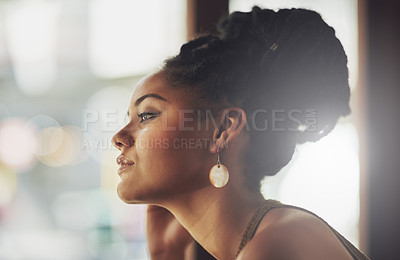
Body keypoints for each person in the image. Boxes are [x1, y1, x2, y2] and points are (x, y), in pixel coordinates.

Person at [112, 6, 370, 260]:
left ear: (223, 129)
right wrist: (168, 255)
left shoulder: (275, 245)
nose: (119, 137)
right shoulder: (271, 236)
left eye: (147, 115)